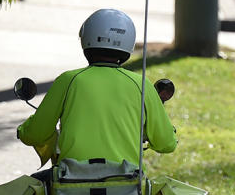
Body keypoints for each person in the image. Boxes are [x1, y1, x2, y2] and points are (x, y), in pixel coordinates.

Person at [16, 9, 177, 166]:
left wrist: (24, 130)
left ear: (86, 38)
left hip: (70, 185)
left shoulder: (68, 80)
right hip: (126, 186)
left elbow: (35, 135)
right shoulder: (141, 85)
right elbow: (166, 143)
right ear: (129, 44)